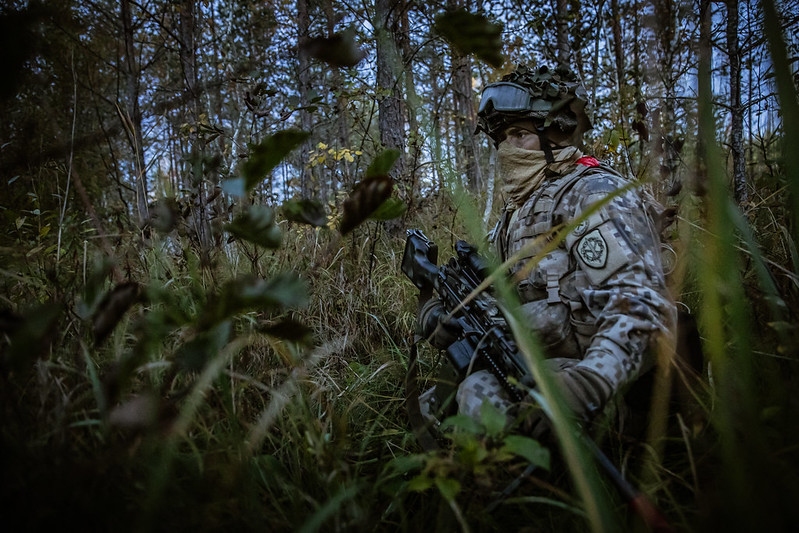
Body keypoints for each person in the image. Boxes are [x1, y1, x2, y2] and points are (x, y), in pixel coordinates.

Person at [417, 64, 677, 439]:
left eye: (519, 134)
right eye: (502, 137)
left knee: (476, 398)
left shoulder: (591, 195)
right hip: (543, 361)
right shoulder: (518, 212)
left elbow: (642, 303)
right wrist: (447, 319)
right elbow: (506, 297)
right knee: (434, 401)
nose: (507, 148)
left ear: (554, 133)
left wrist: (588, 383)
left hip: (613, 383)